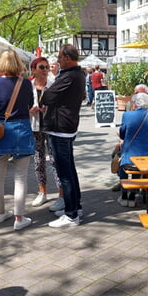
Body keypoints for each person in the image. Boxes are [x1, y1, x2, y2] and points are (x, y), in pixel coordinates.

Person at [0, 50, 35, 231]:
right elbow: (29, 105)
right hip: (21, 128)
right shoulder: (25, 84)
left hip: (0, 129)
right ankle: (19, 217)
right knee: (20, 176)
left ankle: (0, 212)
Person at [42, 44, 85, 227]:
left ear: (67, 58)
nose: (58, 61)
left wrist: (45, 92)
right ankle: (75, 206)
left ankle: (71, 215)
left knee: (65, 172)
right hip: (67, 126)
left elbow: (48, 97)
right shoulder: (79, 74)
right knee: (69, 170)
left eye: (60, 57)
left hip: (61, 128)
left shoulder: (69, 76)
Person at [28, 57, 63, 208]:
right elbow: (23, 108)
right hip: (35, 126)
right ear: (34, 70)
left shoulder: (54, 85)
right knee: (38, 161)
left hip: (52, 127)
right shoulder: (28, 86)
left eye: (47, 67)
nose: (45, 70)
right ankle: (42, 192)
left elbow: (61, 106)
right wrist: (31, 111)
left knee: (55, 161)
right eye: (42, 67)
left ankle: (61, 195)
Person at [117, 93, 148, 207]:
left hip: (130, 156)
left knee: (123, 164)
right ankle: (133, 194)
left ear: (134, 103)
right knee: (136, 163)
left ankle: (125, 194)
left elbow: (122, 134)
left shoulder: (127, 115)